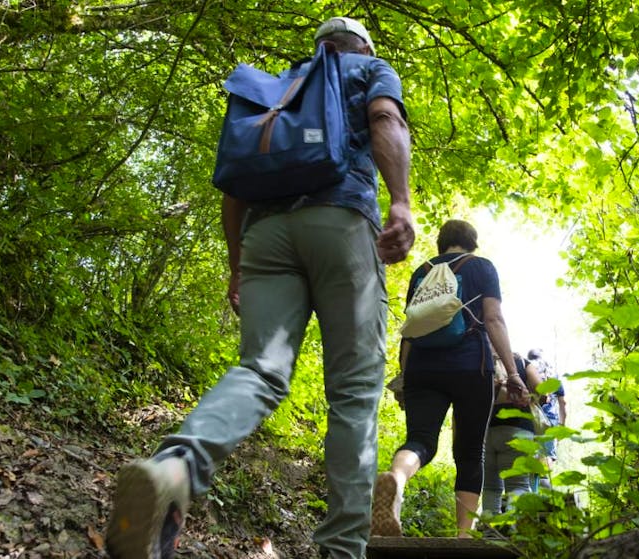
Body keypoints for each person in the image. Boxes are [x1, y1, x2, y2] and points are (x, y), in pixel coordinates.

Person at [105, 16, 414, 559]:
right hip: (341, 223)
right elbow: (385, 117)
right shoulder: (369, 69)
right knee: (355, 392)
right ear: (359, 45)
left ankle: (176, 467)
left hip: (265, 237)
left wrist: (236, 264)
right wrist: (401, 202)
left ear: (318, 47)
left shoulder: (278, 87)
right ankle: (343, 548)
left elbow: (236, 181)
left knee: (260, 370)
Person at [370, 219, 529, 538]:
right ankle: (462, 536)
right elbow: (494, 319)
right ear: (472, 242)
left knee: (420, 440)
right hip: (472, 364)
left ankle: (397, 482)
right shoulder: (482, 267)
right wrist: (513, 373)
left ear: (442, 243)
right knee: (470, 452)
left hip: (423, 368)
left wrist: (405, 377)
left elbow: (411, 330)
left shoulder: (422, 271)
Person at [482, 352, 544, 517]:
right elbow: (542, 391)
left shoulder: (480, 360)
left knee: (490, 487)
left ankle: (490, 533)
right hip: (519, 431)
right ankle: (514, 529)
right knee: (518, 485)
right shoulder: (522, 363)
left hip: (485, 432)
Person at [527, 348, 566, 491]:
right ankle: (543, 486)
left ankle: (530, 489)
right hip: (550, 421)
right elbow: (563, 404)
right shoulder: (553, 376)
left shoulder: (527, 370)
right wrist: (562, 425)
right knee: (548, 456)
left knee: (530, 454)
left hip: (531, 417)